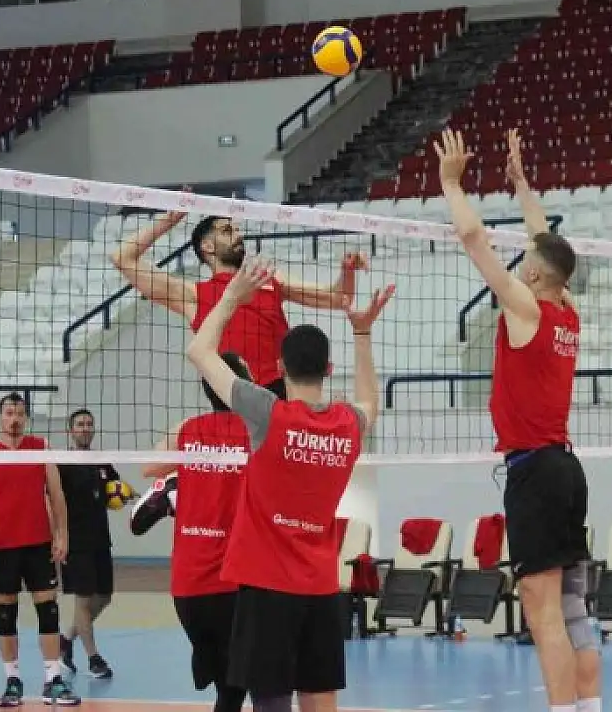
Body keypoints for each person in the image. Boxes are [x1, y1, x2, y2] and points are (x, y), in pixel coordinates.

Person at [434, 129, 600, 712]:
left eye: (525, 261)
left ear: (532, 276)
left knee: (542, 609)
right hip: (566, 470)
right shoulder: (567, 312)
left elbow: (473, 237)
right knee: (572, 611)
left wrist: (452, 184)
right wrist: (523, 184)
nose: (521, 261)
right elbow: (542, 240)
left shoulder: (526, 307)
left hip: (536, 472)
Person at [186, 258, 392, 712]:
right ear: (329, 368)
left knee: (271, 699)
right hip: (321, 586)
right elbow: (369, 402)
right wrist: (362, 333)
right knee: (320, 694)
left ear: (279, 366)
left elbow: (200, 352)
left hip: (267, 586)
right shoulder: (347, 424)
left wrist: (230, 297)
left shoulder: (267, 413)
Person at [110, 209, 368, 398]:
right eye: (227, 231)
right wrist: (168, 220)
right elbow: (122, 258)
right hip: (235, 403)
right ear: (207, 246)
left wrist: (347, 270)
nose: (238, 235)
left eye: (236, 229)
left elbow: (338, 298)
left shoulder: (267, 279)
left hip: (282, 399)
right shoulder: (193, 295)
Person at [132, 353, 255, 712]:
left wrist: (189, 428)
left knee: (223, 682)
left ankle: (171, 492)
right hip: (232, 583)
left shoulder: (190, 431)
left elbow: (149, 466)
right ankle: (171, 493)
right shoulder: (254, 431)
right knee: (235, 686)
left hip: (187, 584)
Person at [0, 392, 80, 707]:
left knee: (48, 610)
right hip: (2, 547)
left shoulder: (41, 448)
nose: (14, 419)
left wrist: (62, 536)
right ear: (0, 417)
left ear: (27, 417)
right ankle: (12, 680)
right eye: (9, 413)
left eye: (19, 413)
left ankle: (52, 679)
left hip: (38, 543)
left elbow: (57, 496)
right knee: (6, 614)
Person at [57, 408, 122, 679]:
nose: (85, 428)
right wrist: (59, 538)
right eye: (80, 424)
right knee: (82, 601)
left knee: (104, 597)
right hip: (76, 542)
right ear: (71, 431)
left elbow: (115, 490)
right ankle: (94, 658)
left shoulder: (101, 461)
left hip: (100, 540)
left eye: (88, 424)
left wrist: (125, 495)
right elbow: (54, 502)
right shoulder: (62, 463)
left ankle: (65, 640)